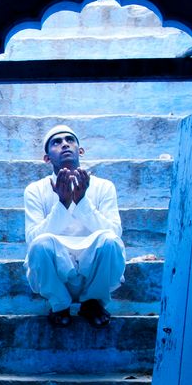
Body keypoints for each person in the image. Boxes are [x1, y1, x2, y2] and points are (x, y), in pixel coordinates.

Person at [24, 125, 125, 327]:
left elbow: (115, 232)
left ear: (80, 151)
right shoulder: (35, 190)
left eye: (69, 140)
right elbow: (32, 240)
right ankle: (59, 305)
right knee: (40, 244)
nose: (64, 145)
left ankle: (92, 302)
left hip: (95, 272)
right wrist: (62, 204)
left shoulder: (104, 187)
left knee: (110, 241)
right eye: (56, 142)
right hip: (55, 274)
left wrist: (82, 203)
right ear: (46, 158)